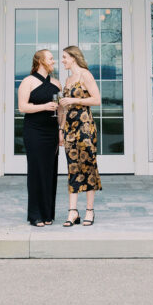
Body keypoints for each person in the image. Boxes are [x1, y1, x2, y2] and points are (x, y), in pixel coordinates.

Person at [58, 45, 102, 227]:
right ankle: (73, 211)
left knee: (88, 166)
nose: (62, 61)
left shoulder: (85, 75)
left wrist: (75, 100)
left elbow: (97, 100)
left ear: (74, 58)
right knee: (72, 167)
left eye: (65, 57)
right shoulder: (67, 80)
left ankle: (90, 211)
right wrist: (61, 130)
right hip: (69, 128)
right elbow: (64, 108)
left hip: (85, 127)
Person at [17, 48, 61, 227]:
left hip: (51, 132)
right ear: (40, 61)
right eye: (51, 58)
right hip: (34, 131)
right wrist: (44, 106)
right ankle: (35, 215)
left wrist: (61, 130)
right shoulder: (27, 81)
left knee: (50, 171)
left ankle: (48, 213)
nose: (54, 61)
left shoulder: (57, 83)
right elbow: (22, 108)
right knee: (36, 171)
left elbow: (61, 110)